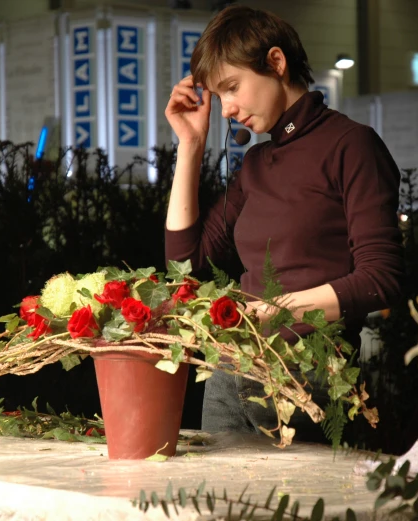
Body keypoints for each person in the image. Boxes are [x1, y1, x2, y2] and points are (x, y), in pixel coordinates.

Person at [164, 5, 404, 442]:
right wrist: (191, 145)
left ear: (276, 62)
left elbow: (381, 278)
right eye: (219, 97)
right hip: (231, 365)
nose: (227, 109)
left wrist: (277, 309)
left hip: (311, 375)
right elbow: (186, 263)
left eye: (232, 87)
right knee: (217, 505)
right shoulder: (256, 163)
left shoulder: (352, 146)